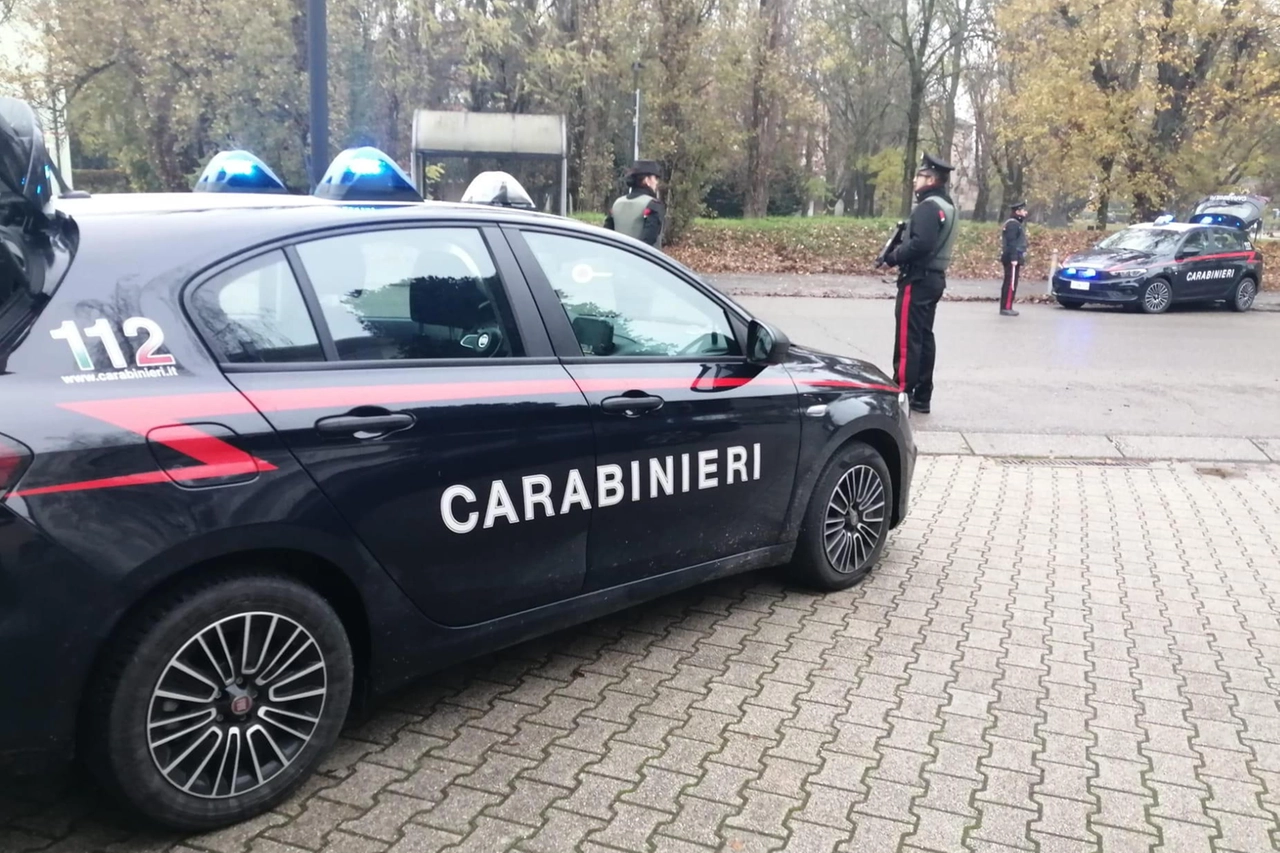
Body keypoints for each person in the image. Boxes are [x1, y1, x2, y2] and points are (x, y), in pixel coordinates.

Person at [882, 152, 958, 415]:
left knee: (907, 338)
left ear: (931, 179)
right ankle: (923, 396)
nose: (916, 180)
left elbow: (921, 244)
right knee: (924, 337)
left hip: (918, 278)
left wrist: (893, 257)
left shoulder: (928, 207)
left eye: (920, 175)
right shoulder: (947, 205)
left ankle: (901, 392)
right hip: (934, 279)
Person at [604, 160, 666, 249]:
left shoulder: (617, 204)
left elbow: (607, 236)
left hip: (616, 259)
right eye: (655, 178)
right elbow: (649, 241)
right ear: (647, 180)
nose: (656, 182)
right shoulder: (652, 205)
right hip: (641, 261)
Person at [1000, 201, 1029, 316]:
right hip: (1012, 257)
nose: (1025, 213)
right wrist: (1014, 257)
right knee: (1011, 283)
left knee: (1010, 282)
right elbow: (1011, 242)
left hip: (1014, 256)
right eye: (1023, 210)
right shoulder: (1013, 224)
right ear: (1017, 212)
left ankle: (1007, 306)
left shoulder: (1015, 223)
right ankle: (1006, 307)